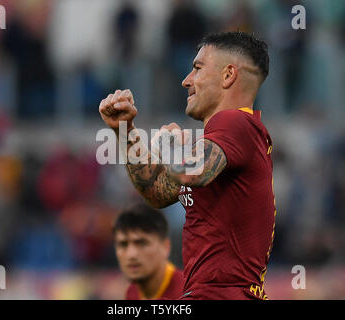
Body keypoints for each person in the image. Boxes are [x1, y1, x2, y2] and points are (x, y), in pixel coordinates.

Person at [100, 31, 275, 300]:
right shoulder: (233, 139)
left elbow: (190, 171)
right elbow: (156, 193)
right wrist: (125, 130)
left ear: (228, 75)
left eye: (197, 68)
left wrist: (172, 147)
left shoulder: (234, 122)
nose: (186, 81)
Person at [113, 203, 184, 300]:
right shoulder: (132, 293)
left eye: (142, 243)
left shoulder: (188, 293)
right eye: (123, 244)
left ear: (165, 247)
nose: (131, 254)